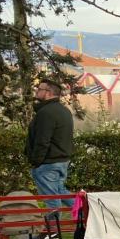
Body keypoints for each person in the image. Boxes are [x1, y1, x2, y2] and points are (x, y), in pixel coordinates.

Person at [25, 81, 74, 210]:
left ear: (48, 93)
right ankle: (87, 214)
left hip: (48, 164)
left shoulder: (46, 113)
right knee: (60, 192)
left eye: (39, 89)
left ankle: (53, 230)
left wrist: (36, 162)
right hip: (61, 161)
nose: (36, 91)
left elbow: (42, 140)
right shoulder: (64, 111)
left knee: (52, 200)